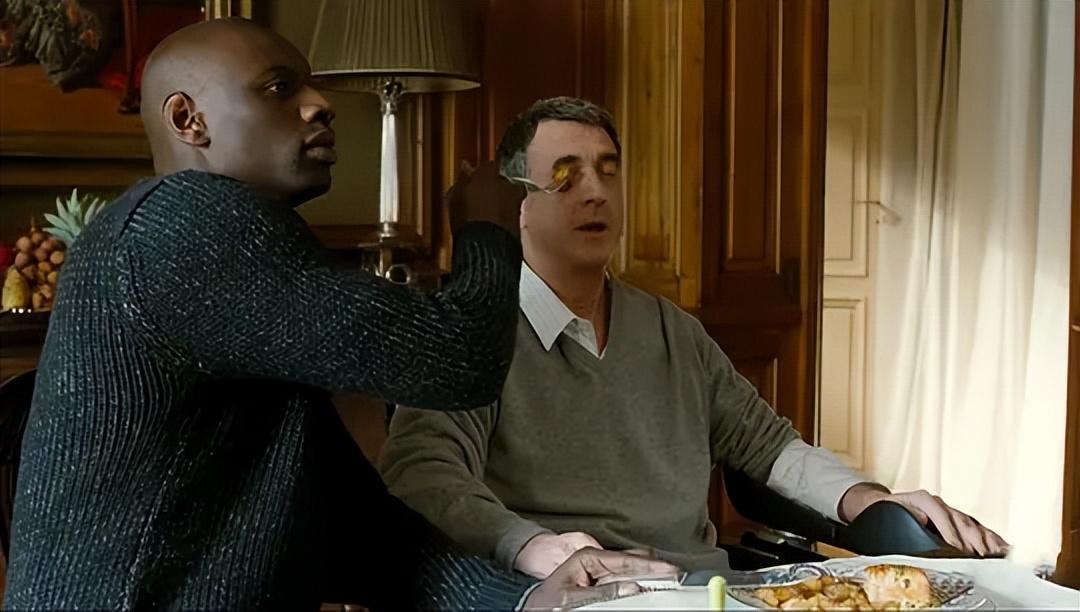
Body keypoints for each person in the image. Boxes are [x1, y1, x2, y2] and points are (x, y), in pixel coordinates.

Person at [4, 24, 677, 609]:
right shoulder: (179, 226)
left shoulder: (224, 265)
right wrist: (485, 228)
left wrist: (526, 598)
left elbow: (357, 524)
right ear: (189, 119)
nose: (320, 103)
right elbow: (458, 362)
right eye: (279, 88)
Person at [379, 96, 1010, 579]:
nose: (595, 191)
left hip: (705, 590)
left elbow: (770, 448)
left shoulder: (671, 330)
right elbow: (423, 474)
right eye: (565, 175)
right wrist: (533, 547)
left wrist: (869, 500)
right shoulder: (470, 333)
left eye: (608, 171)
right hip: (574, 592)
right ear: (518, 203)